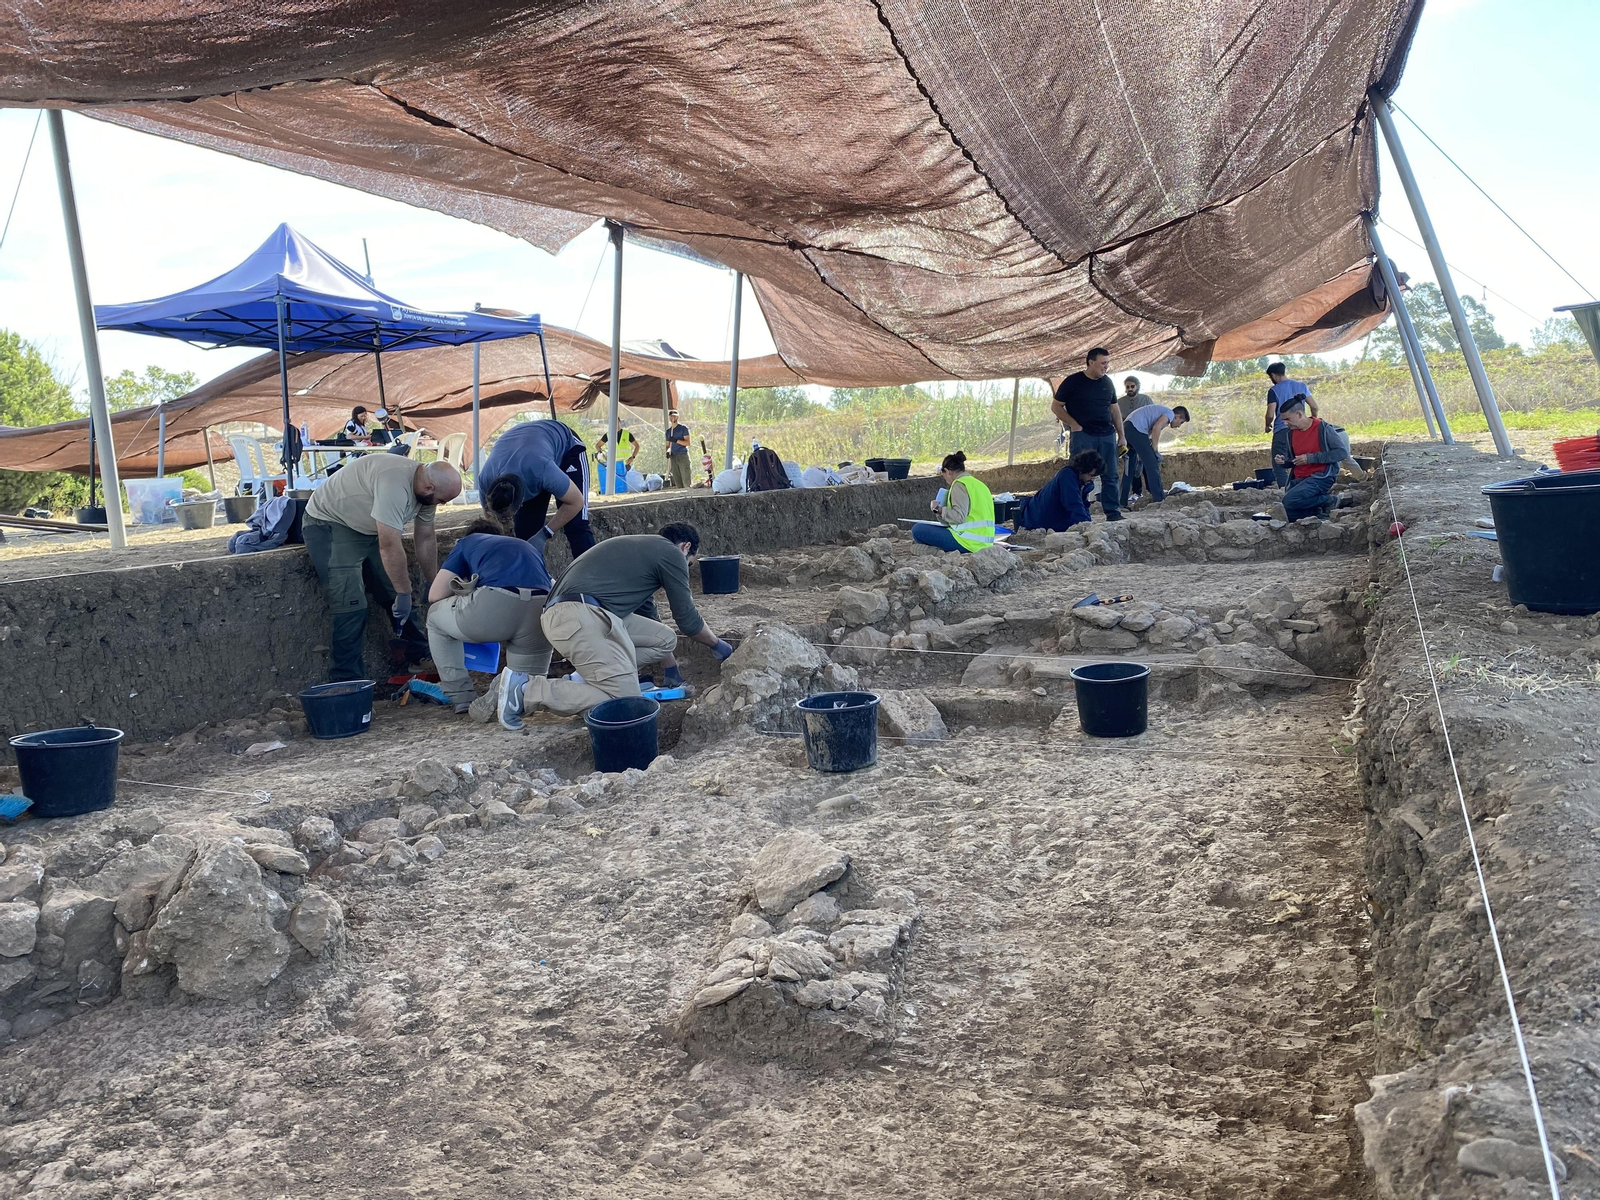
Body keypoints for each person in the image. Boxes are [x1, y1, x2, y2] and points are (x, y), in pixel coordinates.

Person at [491, 523, 734, 726]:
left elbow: (650, 619)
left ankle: (584, 680)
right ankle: (526, 691)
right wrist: (720, 646)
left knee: (665, 638)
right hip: (578, 616)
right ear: (686, 547)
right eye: (689, 563)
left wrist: (672, 671)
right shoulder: (671, 554)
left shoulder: (642, 554)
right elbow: (687, 619)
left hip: (588, 615)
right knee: (627, 700)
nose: (686, 568)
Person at [303, 455, 463, 681]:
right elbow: (389, 546)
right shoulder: (394, 485)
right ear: (429, 487)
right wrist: (404, 592)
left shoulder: (426, 492)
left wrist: (432, 581)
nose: (440, 505)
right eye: (441, 500)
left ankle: (418, 655)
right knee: (350, 602)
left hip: (368, 526)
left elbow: (425, 537)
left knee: (391, 592)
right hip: (330, 523)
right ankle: (347, 681)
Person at [424, 479, 553, 714]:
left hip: (495, 607)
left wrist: (466, 590)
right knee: (525, 691)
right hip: (542, 610)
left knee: (434, 617)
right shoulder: (526, 548)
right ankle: (504, 697)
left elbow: (436, 594)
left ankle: (462, 696)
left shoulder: (468, 542)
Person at [479, 417, 594, 558]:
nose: (506, 521)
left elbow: (576, 502)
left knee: (576, 524)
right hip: (527, 446)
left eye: (508, 517)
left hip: (565, 446)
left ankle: (592, 577)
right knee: (525, 535)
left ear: (521, 502)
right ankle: (530, 579)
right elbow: (489, 520)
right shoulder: (485, 479)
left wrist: (545, 534)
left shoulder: (542, 470)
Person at [1051, 347, 1125, 520]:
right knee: (1078, 474)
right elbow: (1056, 406)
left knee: (1111, 475)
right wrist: (1073, 424)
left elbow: (1114, 409)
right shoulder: (1073, 382)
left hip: (1107, 435)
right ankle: (1077, 514)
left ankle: (1113, 513)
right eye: (1103, 363)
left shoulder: (1107, 382)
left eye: (1108, 363)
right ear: (1091, 363)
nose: (1106, 367)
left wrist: (1121, 435)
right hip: (1083, 435)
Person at [1272, 397, 1350, 522]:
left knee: (1289, 500)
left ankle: (1328, 500)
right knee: (1291, 512)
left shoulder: (1323, 429)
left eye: (1287, 419)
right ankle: (1319, 512)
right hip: (1299, 479)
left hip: (1320, 476)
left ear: (1299, 414)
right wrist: (1283, 462)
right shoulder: (1291, 433)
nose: (1285, 423)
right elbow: (1293, 460)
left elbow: (1341, 453)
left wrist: (1310, 458)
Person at [911, 450, 998, 553]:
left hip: (967, 542)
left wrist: (938, 509)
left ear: (947, 471)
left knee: (918, 530)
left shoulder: (959, 485)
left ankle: (935, 551)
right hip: (984, 542)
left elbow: (958, 517)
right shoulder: (979, 485)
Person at [1120, 404, 1190, 507]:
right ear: (1177, 416)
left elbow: (1143, 443)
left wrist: (1140, 460)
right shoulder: (1169, 413)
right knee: (1152, 464)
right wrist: (1155, 451)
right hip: (1136, 428)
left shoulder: (1157, 413)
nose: (1179, 426)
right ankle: (1159, 499)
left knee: (1129, 468)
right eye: (1181, 422)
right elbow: (1156, 428)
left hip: (1127, 427)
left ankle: (1122, 502)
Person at [1017, 450, 1103, 532]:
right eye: (1090, 475)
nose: (1091, 479)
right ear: (1082, 470)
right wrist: (1087, 526)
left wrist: (1088, 523)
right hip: (1035, 517)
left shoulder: (1083, 481)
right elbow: (1074, 504)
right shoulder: (1067, 476)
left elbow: (1083, 506)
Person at [1263, 362, 1317, 488]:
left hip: (1282, 430)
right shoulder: (1301, 386)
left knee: (1279, 464)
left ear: (1273, 375)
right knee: (1301, 460)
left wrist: (1267, 425)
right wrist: (1312, 420)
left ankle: (1285, 491)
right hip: (1302, 429)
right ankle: (1306, 487)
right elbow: (1314, 406)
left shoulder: (1274, 390)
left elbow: (1270, 414)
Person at [665, 409, 692, 488]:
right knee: (677, 480)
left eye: (674, 416)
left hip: (682, 455)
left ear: (678, 417)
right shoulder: (668, 432)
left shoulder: (683, 428)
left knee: (686, 479)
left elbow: (687, 443)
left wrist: (676, 440)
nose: (673, 418)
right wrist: (667, 452)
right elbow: (668, 445)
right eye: (671, 416)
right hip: (673, 456)